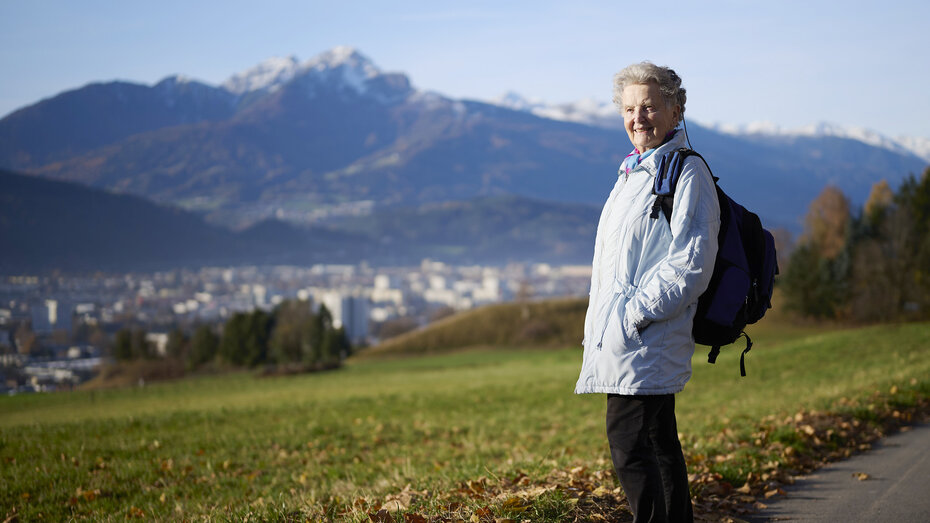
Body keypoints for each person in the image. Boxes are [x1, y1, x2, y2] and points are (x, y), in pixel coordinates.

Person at [574, 62, 721, 523]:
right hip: (633, 337)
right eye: (630, 108)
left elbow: (691, 262)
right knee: (656, 442)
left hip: (645, 335)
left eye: (650, 107)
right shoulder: (633, 173)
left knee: (629, 445)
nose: (639, 118)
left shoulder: (686, 172)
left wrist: (634, 314)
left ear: (675, 111)